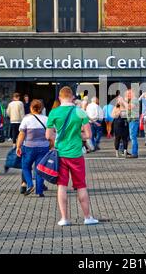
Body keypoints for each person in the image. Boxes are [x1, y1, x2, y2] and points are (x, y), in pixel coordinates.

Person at [46, 86, 99, 226]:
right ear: (72, 97)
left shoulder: (54, 112)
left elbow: (48, 135)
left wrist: (57, 137)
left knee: (62, 186)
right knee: (81, 186)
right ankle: (87, 217)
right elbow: (88, 135)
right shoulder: (80, 112)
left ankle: (64, 218)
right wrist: (77, 135)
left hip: (60, 154)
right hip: (76, 154)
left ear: (60, 97)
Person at [16, 100, 51, 197]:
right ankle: (39, 191)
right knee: (40, 169)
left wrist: (18, 146)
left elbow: (21, 134)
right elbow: (50, 135)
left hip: (29, 147)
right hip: (43, 147)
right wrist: (51, 145)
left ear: (31, 108)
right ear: (42, 109)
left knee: (26, 167)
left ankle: (30, 185)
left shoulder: (26, 119)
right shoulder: (47, 119)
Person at [126, 89, 140, 158]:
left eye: (128, 94)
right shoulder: (133, 100)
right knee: (132, 137)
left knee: (133, 137)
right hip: (132, 120)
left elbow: (130, 107)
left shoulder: (134, 99)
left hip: (133, 120)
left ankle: (134, 153)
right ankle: (134, 152)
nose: (127, 95)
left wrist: (123, 101)